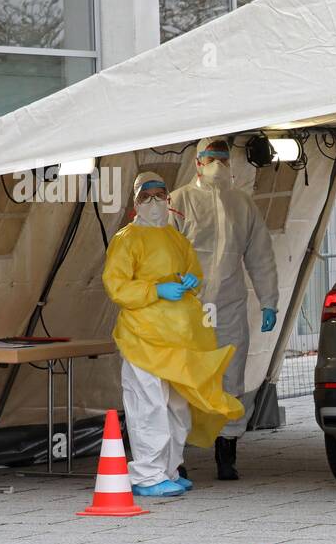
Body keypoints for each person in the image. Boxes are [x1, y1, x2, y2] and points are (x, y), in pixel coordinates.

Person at [103, 172, 243, 496]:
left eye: (159, 194)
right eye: (145, 196)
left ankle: (168, 468)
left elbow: (193, 270)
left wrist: (193, 280)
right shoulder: (127, 239)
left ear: (168, 198)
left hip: (179, 338)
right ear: (135, 203)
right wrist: (156, 289)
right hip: (144, 339)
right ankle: (147, 476)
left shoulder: (176, 238)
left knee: (177, 406)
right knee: (148, 405)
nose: (153, 202)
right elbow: (117, 286)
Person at [171, 138, 279, 480]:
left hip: (229, 307)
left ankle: (227, 449)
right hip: (187, 308)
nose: (217, 163)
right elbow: (164, 254)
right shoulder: (179, 201)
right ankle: (175, 454)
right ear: (197, 163)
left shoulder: (241, 204)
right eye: (210, 158)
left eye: (222, 157)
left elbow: (260, 256)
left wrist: (269, 301)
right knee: (183, 378)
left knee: (231, 375)